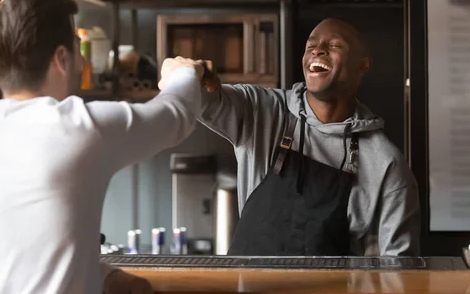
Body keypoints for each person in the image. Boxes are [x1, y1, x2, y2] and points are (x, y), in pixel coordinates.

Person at [0, 0, 206, 294]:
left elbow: (17, 248)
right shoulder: (79, 127)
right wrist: (183, 72)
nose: (81, 61)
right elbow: (176, 115)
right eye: (77, 51)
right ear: (61, 59)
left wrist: (104, 275)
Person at [167, 17, 420, 256]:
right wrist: (186, 72)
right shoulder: (261, 111)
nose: (317, 50)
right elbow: (192, 93)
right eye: (311, 45)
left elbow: (397, 273)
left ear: (363, 65)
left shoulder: (386, 165)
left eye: (333, 45)